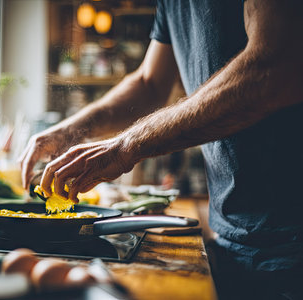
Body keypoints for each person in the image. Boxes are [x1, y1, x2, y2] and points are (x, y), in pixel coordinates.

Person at [20, 0, 303, 298]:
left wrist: (123, 147)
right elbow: (149, 83)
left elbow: (273, 66)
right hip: (235, 233)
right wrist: (71, 130)